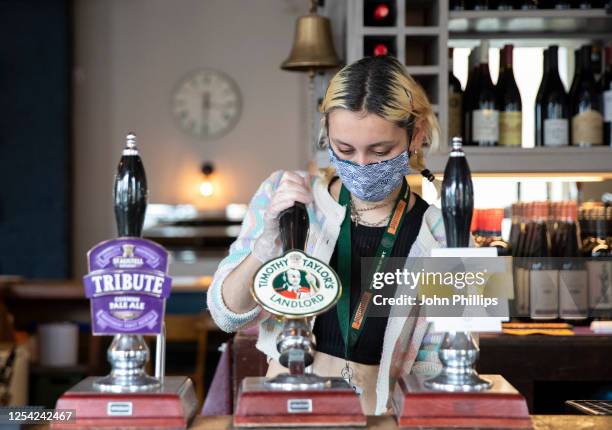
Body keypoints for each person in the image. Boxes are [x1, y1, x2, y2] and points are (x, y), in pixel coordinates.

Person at [207, 55, 446, 415]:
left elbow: (439, 362)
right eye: (345, 150)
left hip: (379, 417)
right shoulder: (284, 195)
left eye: (380, 151)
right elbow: (227, 315)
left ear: (417, 136)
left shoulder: (445, 232)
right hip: (284, 407)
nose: (362, 165)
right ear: (327, 135)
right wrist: (269, 239)